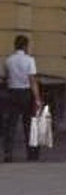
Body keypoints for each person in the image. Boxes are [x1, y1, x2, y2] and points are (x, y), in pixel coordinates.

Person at [2, 34, 43, 162]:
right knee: (29, 125)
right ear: (25, 46)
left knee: (10, 125)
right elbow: (32, 80)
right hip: (26, 93)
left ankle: (8, 153)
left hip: (12, 93)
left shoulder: (8, 60)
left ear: (15, 46)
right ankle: (32, 153)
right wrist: (37, 98)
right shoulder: (30, 60)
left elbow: (6, 78)